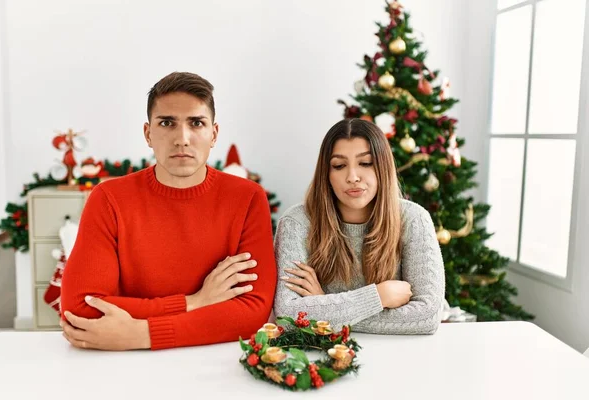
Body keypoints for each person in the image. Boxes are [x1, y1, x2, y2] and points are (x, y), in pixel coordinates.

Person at [60, 72, 277, 350]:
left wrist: (141, 334)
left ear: (214, 134)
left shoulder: (247, 198)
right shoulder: (109, 199)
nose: (182, 139)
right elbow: (82, 308)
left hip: (214, 361)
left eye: (196, 123)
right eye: (167, 123)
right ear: (148, 134)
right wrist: (195, 302)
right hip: (124, 365)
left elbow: (252, 312)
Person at [273, 118, 444, 334]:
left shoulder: (413, 218)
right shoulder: (297, 222)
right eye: (339, 166)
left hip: (398, 356)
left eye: (365, 163)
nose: (352, 177)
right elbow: (287, 316)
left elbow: (427, 317)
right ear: (326, 174)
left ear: (383, 166)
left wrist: (324, 306)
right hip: (326, 359)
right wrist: (379, 296)